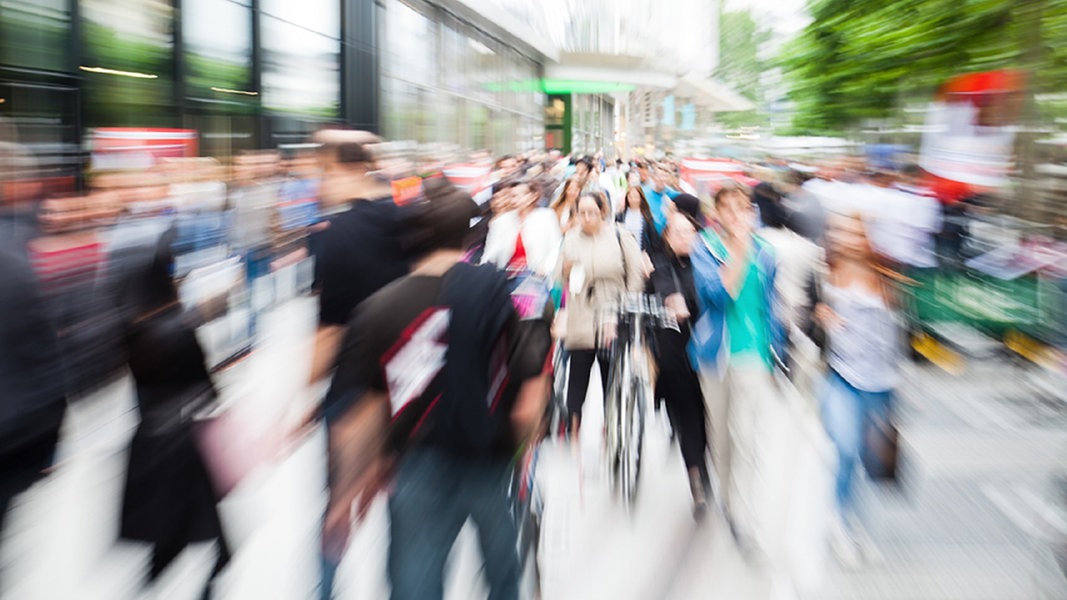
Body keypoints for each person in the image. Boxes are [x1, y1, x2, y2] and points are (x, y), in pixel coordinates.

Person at [322, 178, 549, 600]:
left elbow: (365, 415)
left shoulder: (377, 310)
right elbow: (525, 405)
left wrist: (345, 497)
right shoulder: (502, 294)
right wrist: (521, 452)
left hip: (416, 466)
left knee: (415, 585)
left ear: (412, 239)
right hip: (491, 462)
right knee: (503, 577)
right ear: (468, 235)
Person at [306, 132, 412, 600]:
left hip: (349, 390)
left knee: (336, 505)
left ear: (340, 167)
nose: (318, 183)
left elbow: (328, 332)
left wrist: (298, 398)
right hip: (405, 386)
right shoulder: (409, 219)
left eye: (321, 171)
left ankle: (327, 592)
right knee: (400, 506)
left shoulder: (334, 235)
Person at [113, 226, 231, 599]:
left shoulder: (134, 329)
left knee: (170, 531)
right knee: (207, 529)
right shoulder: (180, 328)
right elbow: (207, 387)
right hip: (185, 443)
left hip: (150, 440)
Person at [689, 183, 786, 556]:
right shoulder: (706, 248)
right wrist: (740, 252)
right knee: (723, 438)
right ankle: (729, 502)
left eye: (741, 208)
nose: (735, 215)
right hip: (716, 354)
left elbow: (771, 305)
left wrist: (778, 352)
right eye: (727, 209)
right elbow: (716, 295)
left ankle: (747, 516)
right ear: (717, 213)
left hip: (754, 354)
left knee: (748, 437)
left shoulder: (767, 253)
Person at [816, 213, 903, 566]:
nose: (847, 238)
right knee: (846, 449)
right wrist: (820, 317)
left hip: (881, 383)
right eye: (841, 231)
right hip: (842, 377)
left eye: (854, 231)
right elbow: (804, 317)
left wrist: (901, 383)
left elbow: (896, 332)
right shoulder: (826, 275)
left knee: (869, 461)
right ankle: (839, 523)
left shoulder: (884, 277)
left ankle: (856, 526)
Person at [557, 193, 645, 434]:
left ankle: (611, 423)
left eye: (591, 212)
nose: (586, 218)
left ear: (602, 212)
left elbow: (635, 274)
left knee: (610, 372)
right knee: (578, 372)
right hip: (582, 310)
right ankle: (573, 425)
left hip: (612, 312)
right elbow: (559, 277)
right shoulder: (571, 238)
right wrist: (565, 270)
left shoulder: (619, 235)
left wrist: (625, 307)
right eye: (581, 213)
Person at [654, 212, 711, 518]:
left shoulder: (709, 264)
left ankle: (707, 468)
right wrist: (673, 302)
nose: (684, 237)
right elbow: (665, 293)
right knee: (688, 419)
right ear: (667, 236)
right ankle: (696, 482)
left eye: (689, 231)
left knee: (709, 419)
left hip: (710, 357)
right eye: (677, 232)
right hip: (676, 356)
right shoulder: (661, 266)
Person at [481, 180, 561, 278]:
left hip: (536, 276)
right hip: (505, 276)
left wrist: (546, 268)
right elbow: (490, 251)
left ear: (533, 196)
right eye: (512, 196)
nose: (514, 200)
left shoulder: (546, 217)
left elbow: (555, 246)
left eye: (518, 196)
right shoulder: (501, 221)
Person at [643, 164, 681, 234]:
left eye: (665, 176)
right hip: (647, 237)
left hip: (665, 238)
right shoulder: (644, 193)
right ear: (653, 177)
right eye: (659, 175)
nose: (662, 179)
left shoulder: (673, 195)